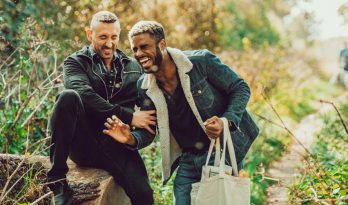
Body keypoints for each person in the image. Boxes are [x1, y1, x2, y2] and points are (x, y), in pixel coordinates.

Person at [103, 20, 259, 205]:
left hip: (220, 152)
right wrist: (131, 138)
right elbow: (149, 128)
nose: (139, 54)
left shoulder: (200, 62)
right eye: (134, 49)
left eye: (144, 46)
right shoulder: (144, 86)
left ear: (162, 45)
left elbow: (240, 88)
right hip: (188, 160)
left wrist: (226, 121)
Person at [47, 12, 155, 205]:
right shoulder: (75, 62)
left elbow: (149, 121)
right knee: (67, 97)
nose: (109, 43)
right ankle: (57, 182)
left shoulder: (135, 68)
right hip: (83, 142)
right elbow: (84, 95)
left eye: (114, 37)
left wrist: (132, 139)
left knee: (145, 195)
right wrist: (129, 117)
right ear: (90, 34)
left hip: (118, 145)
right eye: (103, 37)